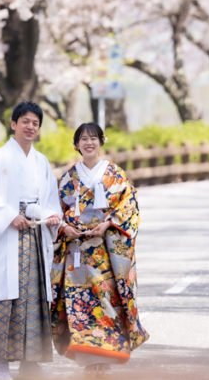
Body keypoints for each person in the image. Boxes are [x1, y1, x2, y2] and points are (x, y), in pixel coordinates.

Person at [0, 101, 63, 380]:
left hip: (34, 236)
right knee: (5, 298)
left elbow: (50, 199)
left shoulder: (41, 161)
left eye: (35, 123)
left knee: (34, 297)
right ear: (13, 124)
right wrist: (10, 216)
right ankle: (1, 365)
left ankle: (30, 362)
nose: (30, 127)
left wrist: (50, 216)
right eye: (25, 121)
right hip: (6, 236)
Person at [50, 122, 149, 374]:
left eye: (93, 138)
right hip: (76, 251)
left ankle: (105, 357)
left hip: (106, 252)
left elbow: (129, 206)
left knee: (106, 301)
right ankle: (88, 359)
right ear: (76, 144)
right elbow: (56, 210)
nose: (89, 143)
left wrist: (108, 224)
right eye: (83, 139)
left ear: (101, 141)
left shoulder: (115, 173)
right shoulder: (69, 176)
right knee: (79, 303)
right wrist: (64, 227)